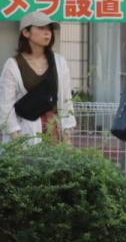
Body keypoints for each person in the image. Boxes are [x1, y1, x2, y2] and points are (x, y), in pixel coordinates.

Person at [1, 11, 76, 145]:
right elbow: (5, 106)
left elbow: (65, 101)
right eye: (41, 28)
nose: (47, 32)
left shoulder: (59, 62)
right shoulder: (13, 65)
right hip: (23, 132)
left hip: (53, 131)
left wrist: (67, 138)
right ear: (26, 33)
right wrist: (16, 141)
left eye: (49, 28)